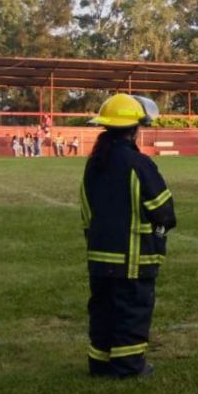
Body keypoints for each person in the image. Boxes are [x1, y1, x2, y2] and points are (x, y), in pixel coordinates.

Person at [79, 93, 176, 378]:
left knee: (103, 311)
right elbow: (163, 210)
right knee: (132, 311)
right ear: (135, 128)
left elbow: (86, 208)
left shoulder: (95, 163)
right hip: (134, 257)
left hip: (99, 256)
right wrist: (160, 232)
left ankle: (99, 363)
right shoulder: (139, 164)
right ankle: (129, 366)